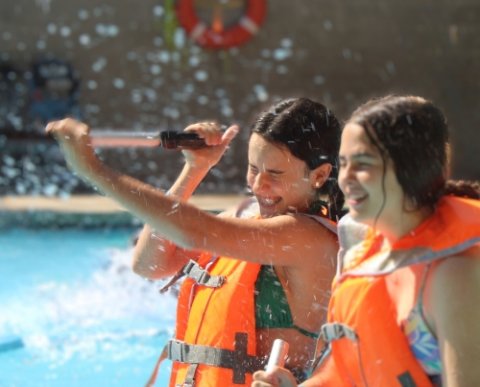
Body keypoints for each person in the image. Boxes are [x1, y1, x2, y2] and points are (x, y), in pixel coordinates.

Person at [46, 97, 345, 386]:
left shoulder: (309, 238)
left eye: (275, 173)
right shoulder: (249, 220)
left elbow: (190, 229)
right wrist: (195, 168)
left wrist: (92, 170)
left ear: (319, 175)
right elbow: (149, 263)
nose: (258, 184)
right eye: (253, 168)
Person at [252, 95, 480, 387]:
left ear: (411, 168)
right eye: (343, 163)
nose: (345, 178)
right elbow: (352, 374)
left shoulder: (455, 274)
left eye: (362, 164)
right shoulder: (366, 257)